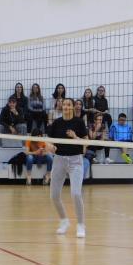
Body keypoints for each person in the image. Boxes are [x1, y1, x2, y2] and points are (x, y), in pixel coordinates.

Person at [47, 98, 88, 238]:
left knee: (76, 194)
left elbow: (86, 143)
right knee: (54, 195)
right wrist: (50, 147)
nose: (66, 106)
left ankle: (81, 225)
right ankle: (64, 221)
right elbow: (49, 142)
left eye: (68, 104)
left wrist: (75, 136)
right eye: (64, 104)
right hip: (59, 160)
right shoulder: (56, 123)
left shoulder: (79, 122)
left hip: (75, 160)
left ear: (73, 107)